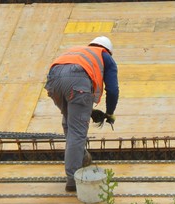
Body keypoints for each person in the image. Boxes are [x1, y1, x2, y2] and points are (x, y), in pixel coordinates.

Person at [44, 35, 119, 193]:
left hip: (53, 80)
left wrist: (88, 110)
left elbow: (67, 75)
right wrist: (110, 113)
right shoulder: (105, 56)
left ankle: (82, 156)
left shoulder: (78, 51)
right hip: (77, 85)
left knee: (69, 123)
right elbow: (112, 90)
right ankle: (72, 180)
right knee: (78, 131)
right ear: (108, 50)